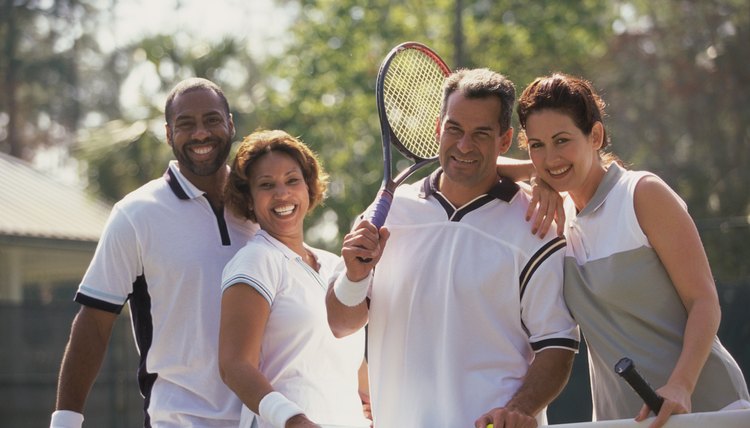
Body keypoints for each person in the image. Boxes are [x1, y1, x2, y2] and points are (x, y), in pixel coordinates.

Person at [326, 68, 580, 428]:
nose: (464, 145)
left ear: (504, 139)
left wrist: (519, 409)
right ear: (438, 129)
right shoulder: (386, 214)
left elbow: (557, 347)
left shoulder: (538, 225)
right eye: (455, 129)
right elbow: (340, 323)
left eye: (481, 134)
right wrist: (354, 276)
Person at [512, 72, 750, 427]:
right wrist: (536, 175)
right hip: (621, 421)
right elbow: (488, 169)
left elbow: (704, 302)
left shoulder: (642, 194)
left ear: (595, 135)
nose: (550, 157)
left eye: (562, 140)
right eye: (537, 145)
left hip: (705, 409)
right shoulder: (559, 212)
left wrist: (681, 386)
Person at [50, 78, 258, 427]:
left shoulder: (261, 208)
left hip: (264, 419)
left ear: (231, 124)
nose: (201, 134)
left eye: (212, 120)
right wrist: (65, 422)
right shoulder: (135, 214)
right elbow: (93, 324)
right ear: (168, 134)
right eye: (185, 124)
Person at [218, 129, 371, 428]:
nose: (282, 194)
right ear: (248, 199)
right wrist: (293, 421)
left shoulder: (334, 265)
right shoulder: (255, 261)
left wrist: (376, 399)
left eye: (292, 180)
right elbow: (234, 365)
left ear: (308, 187)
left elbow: (347, 362)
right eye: (266, 185)